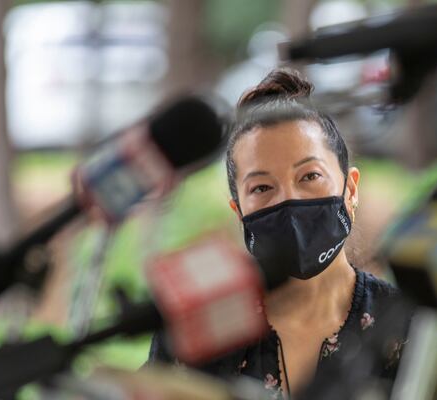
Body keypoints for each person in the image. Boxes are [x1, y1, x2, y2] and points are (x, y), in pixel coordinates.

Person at [146, 68, 413, 398]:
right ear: (239, 212)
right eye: (261, 187)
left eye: (309, 176)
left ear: (351, 190)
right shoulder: (194, 332)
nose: (289, 199)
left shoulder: (411, 329)